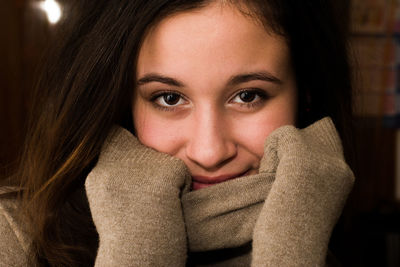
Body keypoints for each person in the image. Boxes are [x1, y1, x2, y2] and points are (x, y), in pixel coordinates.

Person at [0, 0, 355, 266]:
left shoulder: (326, 236)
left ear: (304, 97)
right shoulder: (16, 238)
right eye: (169, 99)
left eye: (248, 96)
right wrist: (138, 246)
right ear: (124, 105)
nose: (209, 151)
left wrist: (294, 244)